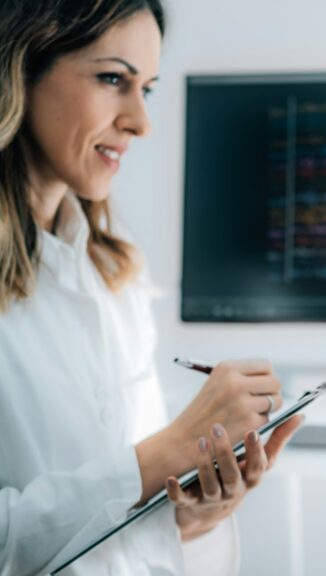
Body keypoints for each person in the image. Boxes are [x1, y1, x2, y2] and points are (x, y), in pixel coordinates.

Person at [0, 1, 303, 574]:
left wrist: (193, 512)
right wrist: (166, 452)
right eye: (113, 79)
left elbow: (114, 526)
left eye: (148, 89)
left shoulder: (117, 278)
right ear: (21, 71)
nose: (141, 122)